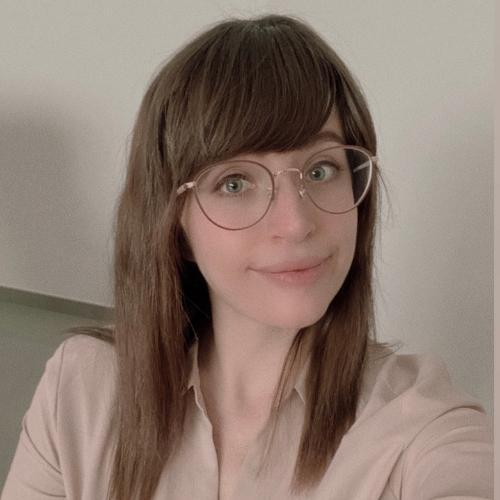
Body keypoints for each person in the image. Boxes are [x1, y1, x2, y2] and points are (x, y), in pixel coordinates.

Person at [1, 14, 492, 500]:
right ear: (174, 226)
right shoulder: (82, 391)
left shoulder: (421, 424)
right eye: (235, 183)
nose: (296, 223)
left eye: (321, 170)